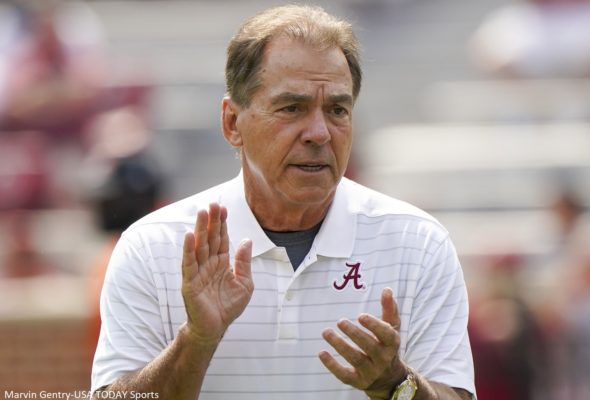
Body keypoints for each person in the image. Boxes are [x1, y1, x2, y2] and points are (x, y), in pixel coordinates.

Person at [91, 5, 475, 400]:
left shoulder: (418, 242)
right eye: (292, 108)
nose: (319, 133)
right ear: (232, 123)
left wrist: (397, 386)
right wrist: (196, 340)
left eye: (337, 109)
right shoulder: (154, 246)